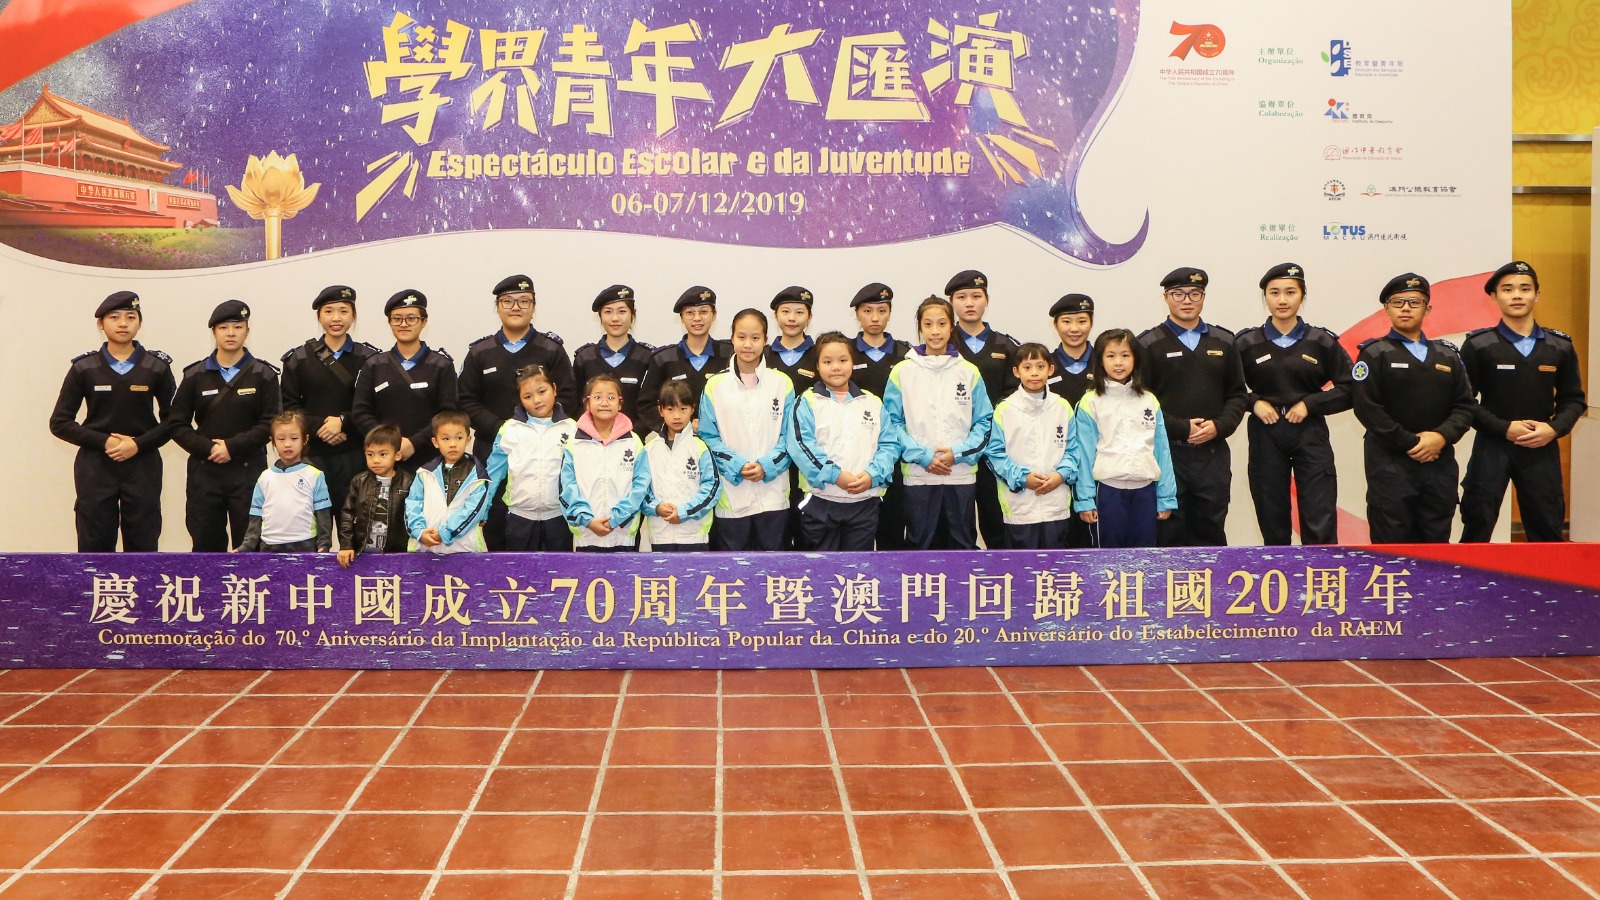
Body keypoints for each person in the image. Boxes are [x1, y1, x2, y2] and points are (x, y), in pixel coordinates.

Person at [1460, 261, 1586, 542]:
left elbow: (1574, 399)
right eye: (1507, 289)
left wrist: (1553, 429)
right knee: (1477, 524)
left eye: (1525, 289)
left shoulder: (1559, 346)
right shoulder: (1478, 345)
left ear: (1537, 295)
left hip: (1541, 446)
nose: (1517, 295)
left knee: (1547, 529)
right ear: (1494, 297)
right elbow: (1464, 401)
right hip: (1492, 445)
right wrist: (1504, 428)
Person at [1351, 273, 1477, 543]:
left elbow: (1465, 405)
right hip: (1390, 464)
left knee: (1436, 546)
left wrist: (1440, 437)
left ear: (1427, 309)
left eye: (1414, 302)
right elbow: (1367, 408)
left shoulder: (1448, 355)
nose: (1406, 308)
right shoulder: (1374, 353)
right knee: (1391, 547)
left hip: (1438, 462)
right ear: (1386, 309)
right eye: (1398, 302)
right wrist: (1412, 443)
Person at [1234, 263, 1354, 545]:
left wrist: (1311, 404)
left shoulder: (1321, 341)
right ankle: (1277, 571)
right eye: (1274, 293)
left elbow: (1351, 388)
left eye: (1290, 292)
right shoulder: (1246, 342)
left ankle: (1321, 569)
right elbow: (1227, 388)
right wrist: (1253, 402)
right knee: (1271, 514)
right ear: (1265, 297)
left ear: (1302, 296)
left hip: (1309, 431)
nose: (1282, 300)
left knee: (1319, 515)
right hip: (1266, 432)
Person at [50, 290, 176, 551]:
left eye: (130, 317)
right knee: (94, 545)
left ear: (139, 323)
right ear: (100, 324)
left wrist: (138, 444)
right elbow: (60, 422)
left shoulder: (157, 367)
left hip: (143, 465)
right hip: (95, 466)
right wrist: (105, 442)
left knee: (143, 545)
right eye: (114, 317)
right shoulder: (84, 368)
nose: (123, 323)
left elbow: (174, 422)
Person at [459, 274, 577, 550]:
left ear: (533, 307)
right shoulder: (480, 352)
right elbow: (465, 400)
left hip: (547, 452)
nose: (515, 307)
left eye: (524, 301)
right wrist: (501, 429)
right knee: (496, 530)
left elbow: (569, 396)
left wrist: (538, 430)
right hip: (493, 449)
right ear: (497, 307)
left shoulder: (551, 350)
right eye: (508, 301)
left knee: (552, 539)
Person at [1137, 267, 1249, 546]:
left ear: (1203, 297)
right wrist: (1181, 427)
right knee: (1167, 533)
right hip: (1166, 454)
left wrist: (1219, 426)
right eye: (1178, 294)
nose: (1187, 300)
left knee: (1211, 530)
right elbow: (1140, 403)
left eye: (1194, 294)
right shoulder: (1148, 344)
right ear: (1166, 297)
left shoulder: (1225, 341)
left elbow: (1237, 395)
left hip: (1212, 454)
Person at [165, 300, 280, 551]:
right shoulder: (195, 375)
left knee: (250, 546)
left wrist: (232, 447)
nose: (231, 333)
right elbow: (176, 424)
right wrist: (209, 448)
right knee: (206, 546)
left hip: (249, 471)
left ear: (247, 331)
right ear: (214, 332)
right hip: (205, 472)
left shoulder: (264, 374)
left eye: (238, 327)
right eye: (224, 327)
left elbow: (271, 423)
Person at [883, 295, 993, 550]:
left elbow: (984, 421)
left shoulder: (968, 371)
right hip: (919, 477)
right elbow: (890, 423)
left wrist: (958, 453)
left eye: (942, 324)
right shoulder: (903, 371)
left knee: (962, 547)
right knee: (920, 548)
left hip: (960, 475)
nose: (935, 331)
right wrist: (922, 456)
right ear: (920, 327)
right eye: (928, 324)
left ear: (952, 326)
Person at [786, 331, 900, 551]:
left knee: (858, 568)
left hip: (865, 503)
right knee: (823, 567)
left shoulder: (871, 402)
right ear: (817, 366)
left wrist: (872, 475)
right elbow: (801, 445)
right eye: (827, 362)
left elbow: (889, 445)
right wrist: (835, 475)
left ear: (852, 363)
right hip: (821, 502)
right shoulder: (807, 402)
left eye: (843, 360)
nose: (836, 367)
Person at [279, 284, 378, 528]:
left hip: (355, 455)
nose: (336, 318)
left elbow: (374, 405)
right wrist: (322, 427)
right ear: (319, 316)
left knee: (356, 529)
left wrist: (343, 421)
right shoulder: (298, 359)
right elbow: (289, 406)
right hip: (311, 456)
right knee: (311, 530)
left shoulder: (369, 358)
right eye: (329, 311)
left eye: (343, 311)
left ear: (353, 316)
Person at [698, 308, 795, 551]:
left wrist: (766, 465)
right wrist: (736, 465)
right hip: (732, 493)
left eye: (755, 337)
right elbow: (708, 437)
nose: (748, 344)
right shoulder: (715, 385)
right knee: (733, 566)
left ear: (765, 340)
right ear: (732, 338)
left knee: (772, 566)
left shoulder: (781, 383)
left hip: (773, 494)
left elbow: (791, 436)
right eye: (741, 337)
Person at [1071, 330, 1177, 548]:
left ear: (1135, 359)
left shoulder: (1149, 400)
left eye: (1125, 355)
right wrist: (1085, 500)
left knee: (1144, 556)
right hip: (1107, 492)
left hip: (1146, 491)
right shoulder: (1090, 402)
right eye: (1111, 356)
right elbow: (1084, 453)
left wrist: (1166, 496)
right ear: (1100, 360)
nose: (1118, 362)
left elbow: (1162, 450)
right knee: (1108, 558)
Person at [946, 269, 1021, 548]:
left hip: (994, 448)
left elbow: (1015, 395)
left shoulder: (1006, 346)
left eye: (976, 296)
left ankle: (1001, 571)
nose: (969, 303)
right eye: (962, 297)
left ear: (986, 300)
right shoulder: (942, 344)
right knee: (955, 524)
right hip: (954, 448)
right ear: (951, 302)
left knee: (996, 519)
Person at [349, 290, 457, 472]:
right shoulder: (374, 365)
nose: (404, 324)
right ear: (389, 322)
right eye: (397, 319)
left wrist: (414, 443)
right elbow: (360, 413)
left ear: (424, 321)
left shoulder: (441, 365)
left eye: (411, 318)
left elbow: (447, 414)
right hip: (384, 462)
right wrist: (389, 442)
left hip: (430, 461)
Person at [986, 343, 1077, 549]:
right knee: (1022, 566)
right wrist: (1022, 478)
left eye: (1040, 366)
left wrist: (1060, 475)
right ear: (1016, 372)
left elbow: (1073, 450)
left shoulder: (1062, 407)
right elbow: (994, 454)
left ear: (1050, 370)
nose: (1034, 373)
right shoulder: (1005, 409)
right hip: (1020, 507)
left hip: (1056, 505)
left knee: (1055, 565)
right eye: (1027, 367)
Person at [485, 364, 577, 552]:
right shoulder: (510, 429)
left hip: (559, 516)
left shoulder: (572, 428)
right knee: (520, 569)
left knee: (559, 569)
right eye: (527, 396)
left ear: (554, 388)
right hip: (520, 518)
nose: (537, 400)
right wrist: (482, 510)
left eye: (542, 391)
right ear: (520, 399)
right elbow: (492, 475)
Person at [849, 282, 911, 550]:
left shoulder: (906, 354)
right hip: (854, 451)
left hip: (895, 452)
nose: (875, 318)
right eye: (868, 311)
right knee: (855, 533)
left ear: (890, 313)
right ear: (857, 314)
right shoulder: (845, 353)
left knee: (892, 529)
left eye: (882, 311)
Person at [560, 373, 653, 552]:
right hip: (586, 534)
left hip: (623, 534)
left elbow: (641, 485)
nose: (604, 403)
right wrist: (587, 520)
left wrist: (617, 518)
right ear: (587, 403)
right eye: (597, 397)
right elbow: (567, 485)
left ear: (620, 403)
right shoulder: (574, 442)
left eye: (611, 398)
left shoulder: (634, 441)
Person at [636, 286, 734, 435]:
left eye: (703, 312)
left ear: (714, 315)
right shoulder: (663, 359)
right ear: (681, 318)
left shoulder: (730, 355)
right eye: (690, 313)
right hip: (677, 441)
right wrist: (678, 427)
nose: (697, 318)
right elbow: (646, 405)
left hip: (723, 439)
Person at [238, 410, 333, 552]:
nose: (287, 444)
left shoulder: (315, 475)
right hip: (269, 545)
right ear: (273, 441)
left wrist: (324, 544)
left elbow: (323, 514)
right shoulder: (264, 477)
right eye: (281, 439)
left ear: (305, 439)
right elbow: (256, 516)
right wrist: (247, 545)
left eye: (294, 438)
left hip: (305, 544)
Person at [643, 380, 719, 552]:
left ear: (692, 409)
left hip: (694, 534)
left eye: (683, 409)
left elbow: (712, 486)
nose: (677, 416)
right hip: (660, 534)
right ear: (660, 410)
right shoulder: (649, 450)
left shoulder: (700, 447)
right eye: (670, 409)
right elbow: (641, 489)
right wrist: (656, 507)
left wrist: (685, 512)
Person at [405, 409, 491, 553]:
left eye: (459, 438)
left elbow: (473, 510)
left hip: (466, 550)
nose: (452, 444)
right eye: (446, 439)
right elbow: (413, 503)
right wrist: (418, 532)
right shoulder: (424, 474)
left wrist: (445, 533)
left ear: (468, 440)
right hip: (425, 549)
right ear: (435, 442)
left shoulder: (478, 476)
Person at [572, 284, 654, 433]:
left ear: (633, 314)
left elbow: (650, 406)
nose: (615, 318)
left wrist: (630, 434)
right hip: (591, 440)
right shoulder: (585, 358)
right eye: (608, 312)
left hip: (634, 439)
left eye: (622, 311)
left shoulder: (647, 358)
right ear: (600, 316)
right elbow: (575, 404)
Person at [337, 424, 415, 567]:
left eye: (383, 454)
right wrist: (346, 544)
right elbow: (347, 514)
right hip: (363, 552)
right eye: (370, 454)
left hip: (397, 553)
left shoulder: (409, 482)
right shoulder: (359, 481)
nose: (376, 460)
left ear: (397, 455)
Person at [1048, 294, 1096, 407]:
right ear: (1055, 325)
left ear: (1091, 324)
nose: (1074, 329)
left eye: (1082, 321)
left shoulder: (1105, 364)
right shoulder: (1044, 365)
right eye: (1066, 322)